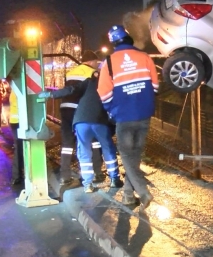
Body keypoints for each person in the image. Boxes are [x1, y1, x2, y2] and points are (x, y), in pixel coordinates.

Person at [97, 25, 158, 210]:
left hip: (124, 117)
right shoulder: (145, 57)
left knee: (126, 155)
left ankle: (143, 192)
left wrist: (112, 109)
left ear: (113, 43)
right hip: (144, 114)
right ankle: (128, 195)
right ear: (128, 38)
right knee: (135, 155)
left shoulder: (108, 63)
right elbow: (155, 86)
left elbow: (103, 92)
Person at [39, 66, 123, 193]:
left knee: (84, 151)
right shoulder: (114, 86)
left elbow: (71, 89)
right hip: (100, 121)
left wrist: (51, 94)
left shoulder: (89, 82)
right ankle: (114, 179)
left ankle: (88, 184)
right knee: (108, 149)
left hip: (81, 121)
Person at [58, 50, 104, 186]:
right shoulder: (92, 73)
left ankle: (65, 176)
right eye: (96, 62)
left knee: (67, 143)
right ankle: (96, 172)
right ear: (91, 62)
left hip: (65, 108)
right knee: (93, 141)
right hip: (81, 111)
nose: (97, 65)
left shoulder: (70, 72)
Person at [9, 87, 23, 185]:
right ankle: (17, 175)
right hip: (19, 122)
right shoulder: (19, 90)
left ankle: (17, 175)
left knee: (19, 148)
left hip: (15, 122)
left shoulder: (14, 90)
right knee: (19, 149)